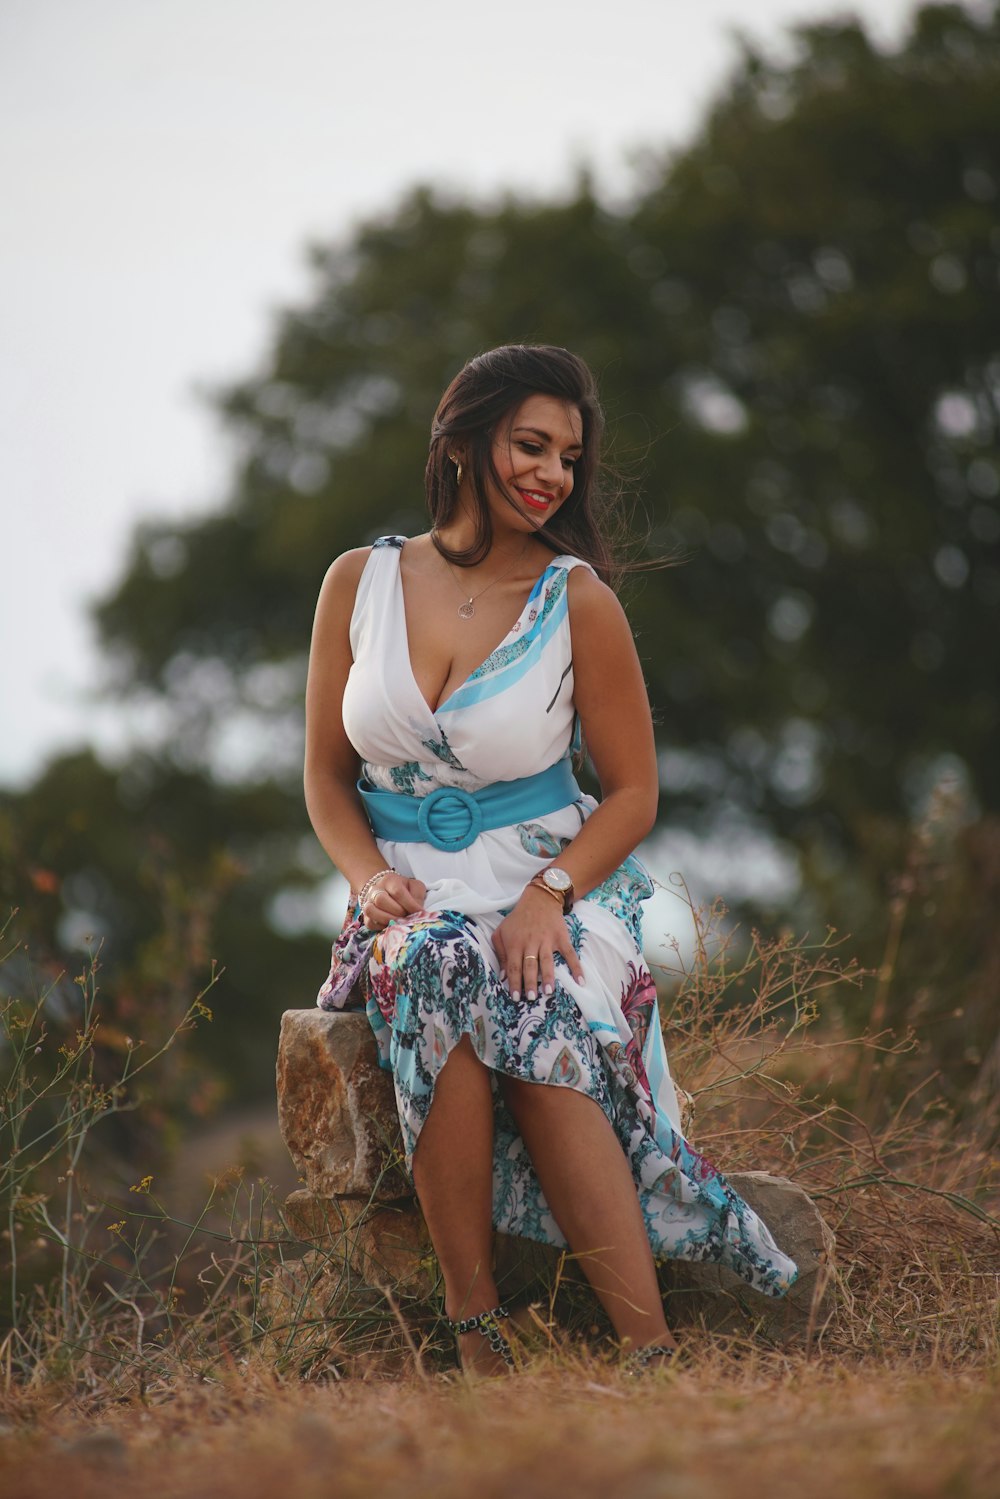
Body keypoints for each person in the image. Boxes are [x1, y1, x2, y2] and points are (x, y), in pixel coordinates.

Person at [304, 344, 798, 1377]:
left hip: (548, 880)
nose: (552, 474)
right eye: (531, 444)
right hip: (409, 896)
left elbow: (632, 793)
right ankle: (477, 1328)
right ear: (462, 439)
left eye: (568, 457)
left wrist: (547, 896)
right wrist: (367, 881)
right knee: (436, 957)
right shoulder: (359, 581)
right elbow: (324, 775)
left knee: (538, 998)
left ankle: (648, 1353)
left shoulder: (577, 600)